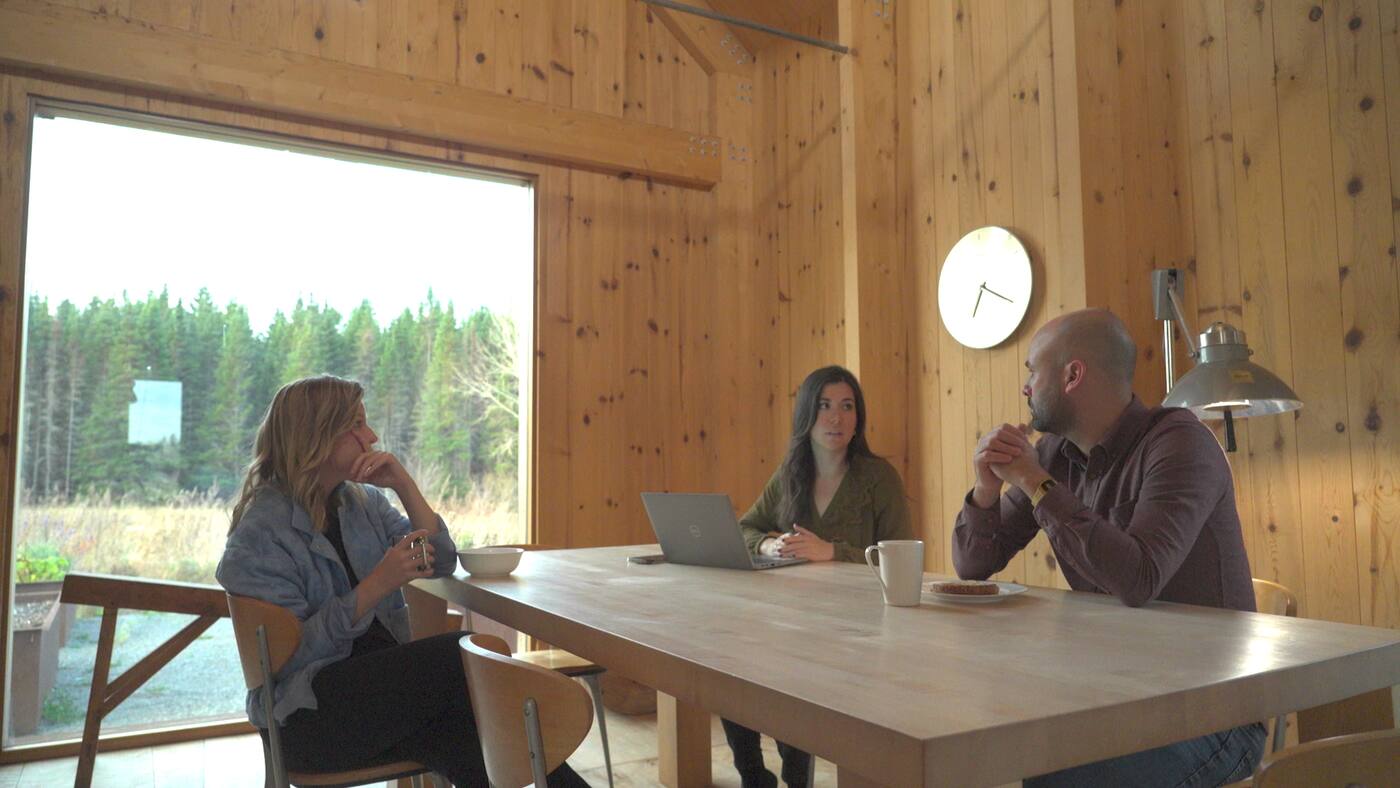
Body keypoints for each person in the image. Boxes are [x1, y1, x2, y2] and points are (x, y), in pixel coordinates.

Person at [217, 375, 587, 787]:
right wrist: (376, 585)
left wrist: (403, 485)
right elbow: (288, 659)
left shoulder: (362, 504)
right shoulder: (260, 533)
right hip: (305, 719)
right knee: (460, 657)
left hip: (387, 702)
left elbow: (441, 560)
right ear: (315, 436)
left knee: (479, 735)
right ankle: (553, 709)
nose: (371, 436)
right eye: (356, 426)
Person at [952, 309, 1265, 787]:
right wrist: (986, 490)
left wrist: (1036, 482)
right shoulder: (1059, 453)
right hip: (1116, 695)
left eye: (1032, 371)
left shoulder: (1180, 444)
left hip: (1212, 714)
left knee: (1051, 776)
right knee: (988, 741)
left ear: (1073, 374)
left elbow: (1138, 579)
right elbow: (975, 564)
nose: (1026, 387)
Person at [729, 365, 914, 788]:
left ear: (858, 417)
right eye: (825, 406)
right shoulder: (790, 472)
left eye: (847, 407)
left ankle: (797, 773)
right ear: (807, 416)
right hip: (792, 621)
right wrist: (768, 545)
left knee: (794, 678)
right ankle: (754, 776)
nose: (836, 417)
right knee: (728, 665)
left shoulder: (878, 478)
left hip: (859, 632)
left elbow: (903, 563)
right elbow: (745, 527)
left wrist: (833, 553)